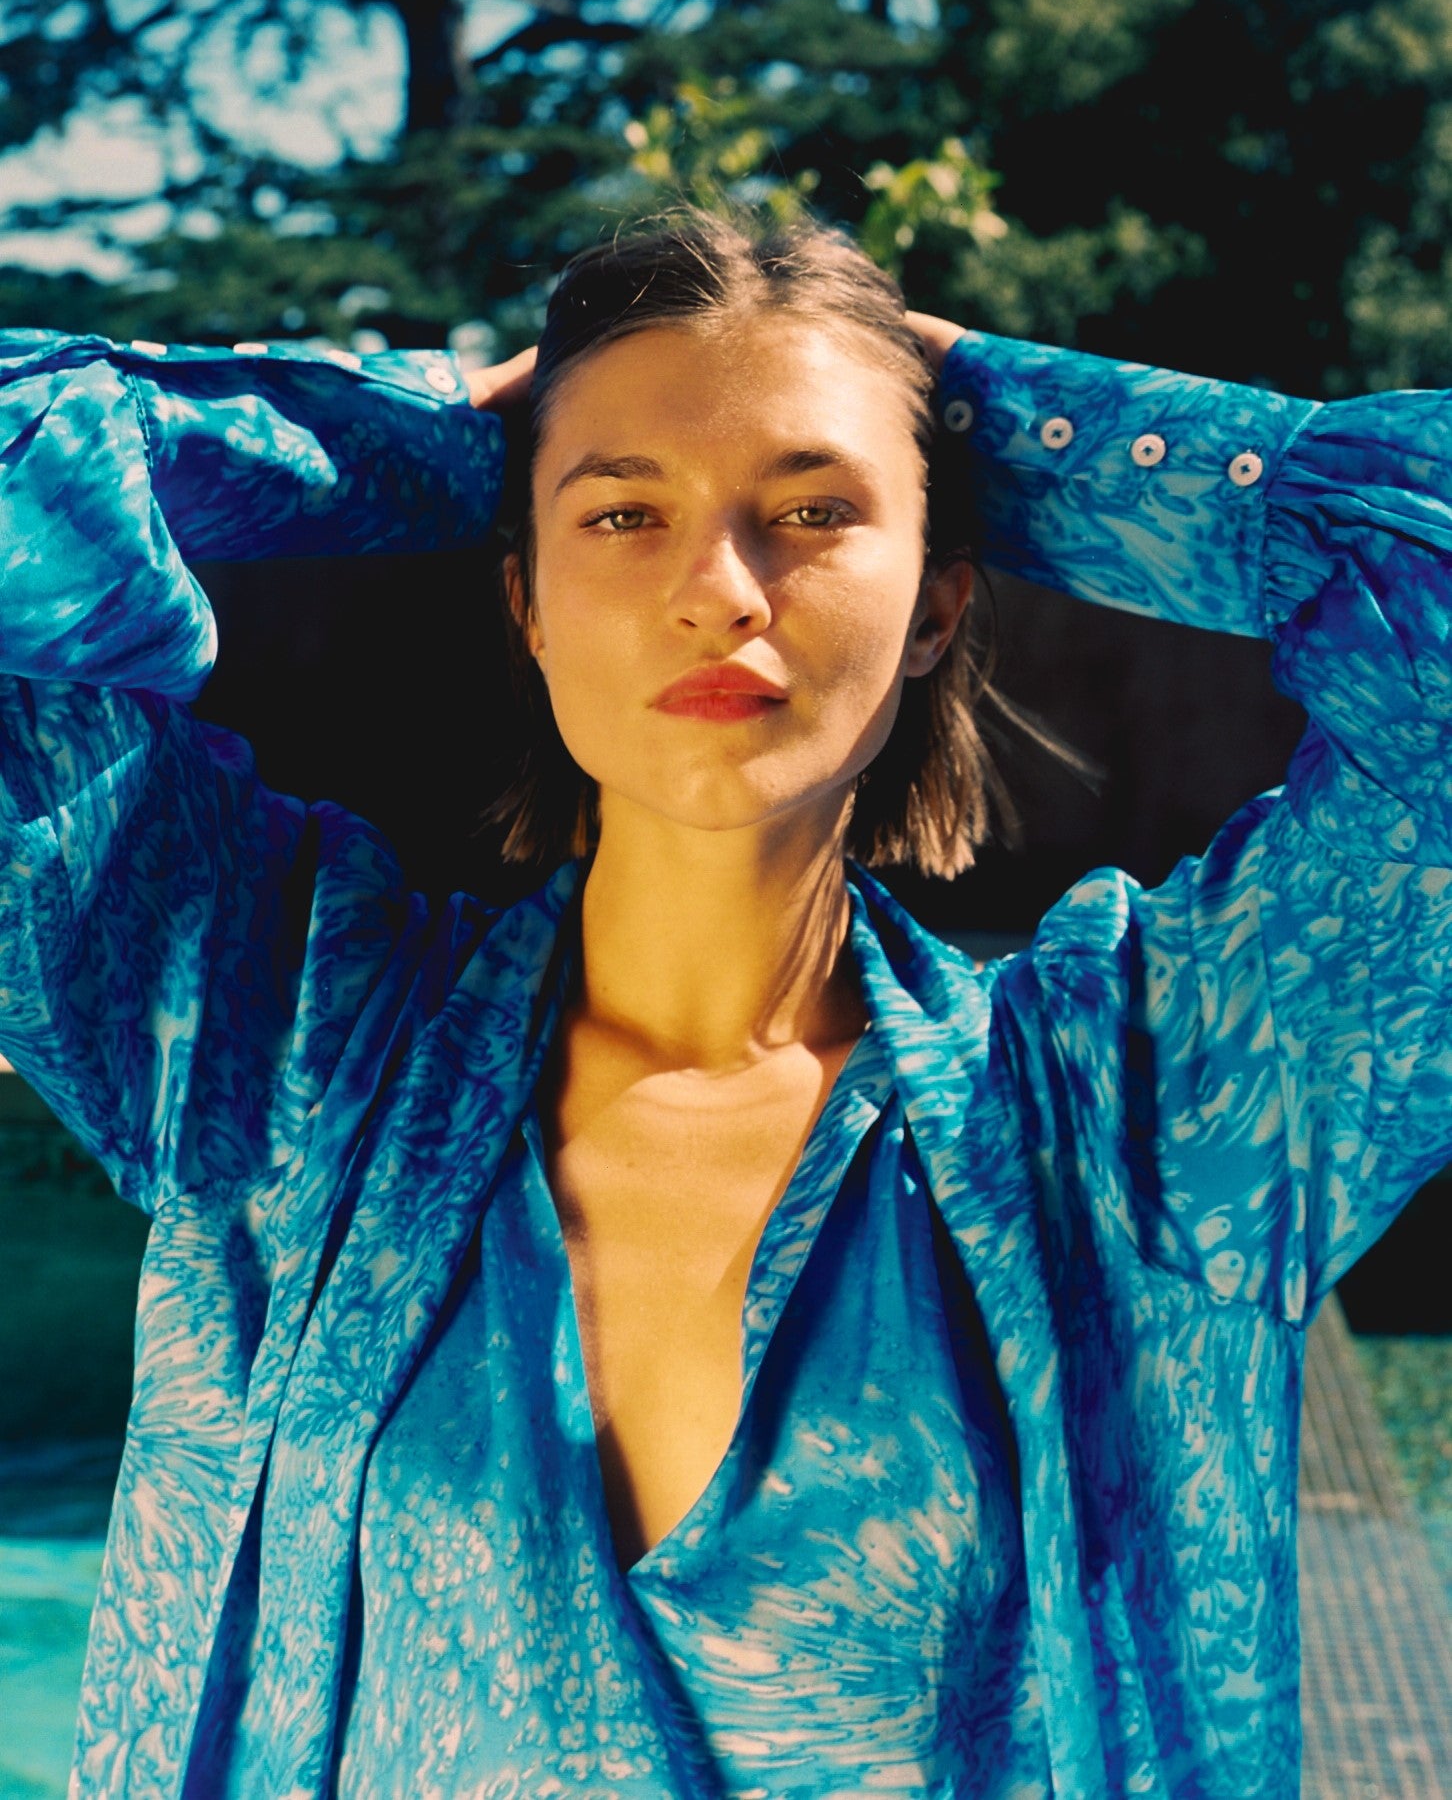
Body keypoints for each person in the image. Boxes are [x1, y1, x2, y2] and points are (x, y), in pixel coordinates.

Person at [0, 197, 1447, 1800]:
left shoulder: (1150, 1125)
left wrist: (1035, 425)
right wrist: (417, 438)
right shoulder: (272, 1046)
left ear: (943, 601)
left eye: (814, 511)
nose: (723, 589)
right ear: (525, 602)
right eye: (623, 516)